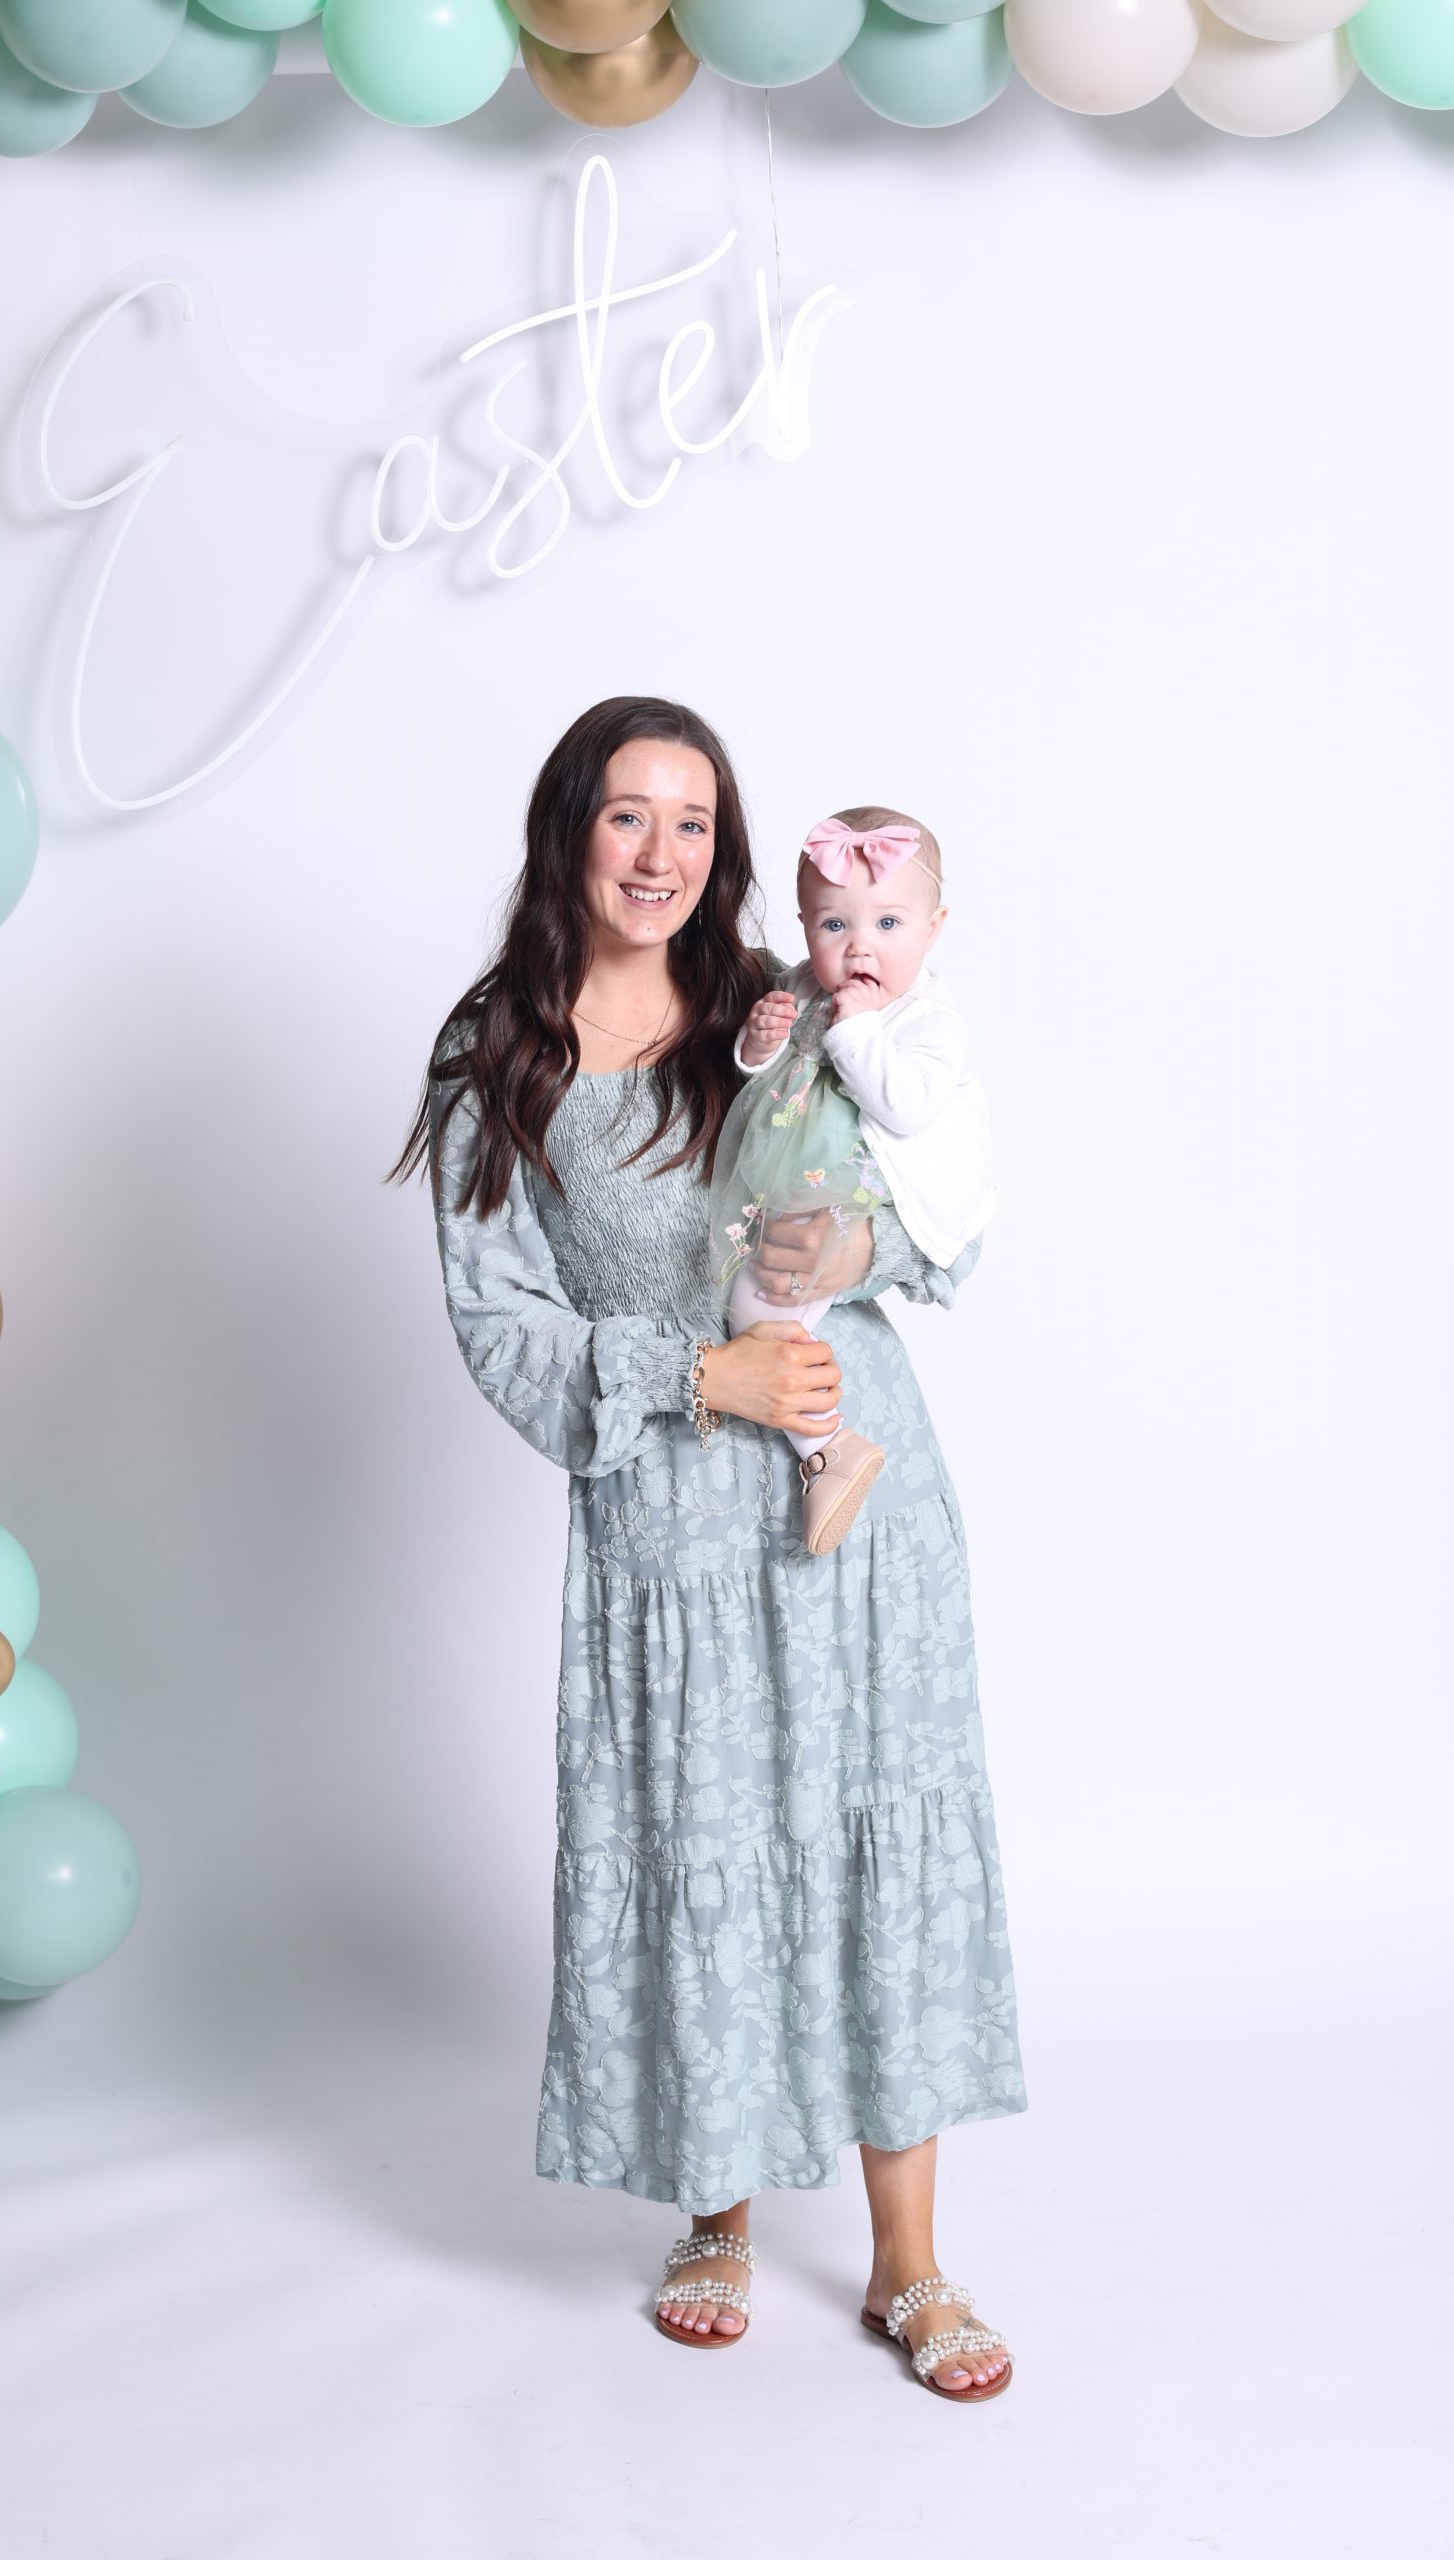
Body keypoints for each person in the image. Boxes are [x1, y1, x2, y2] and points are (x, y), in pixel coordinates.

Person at [390, 696, 1022, 2400]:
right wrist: (694, 1373)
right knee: (703, 1842)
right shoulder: (495, 1056)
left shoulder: (787, 1004)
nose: (660, 853)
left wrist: (853, 1250)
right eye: (627, 814)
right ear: (567, 830)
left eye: (691, 821)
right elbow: (499, 1322)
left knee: (874, 1836)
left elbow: (945, 1191)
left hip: (853, 1492)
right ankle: (717, 2214)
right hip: (668, 1524)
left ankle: (907, 2263)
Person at [712, 803, 999, 1555]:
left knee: (759, 1305)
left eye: (888, 924)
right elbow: (765, 1077)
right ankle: (820, 1446)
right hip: (791, 1172)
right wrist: (757, 1043)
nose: (858, 945)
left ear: (934, 927)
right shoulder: (807, 986)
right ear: (805, 926)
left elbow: (904, 1107)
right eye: (833, 924)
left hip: (853, 1190)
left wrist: (858, 1026)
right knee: (747, 1297)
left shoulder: (928, 1021)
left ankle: (826, 1447)